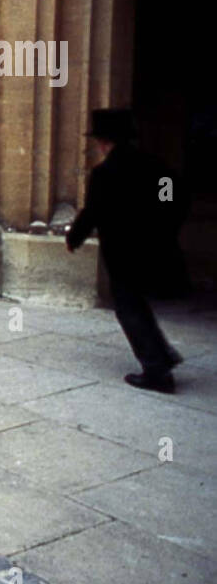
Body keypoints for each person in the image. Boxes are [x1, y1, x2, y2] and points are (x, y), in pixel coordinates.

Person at [66, 108, 185, 393]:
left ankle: (157, 370)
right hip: (152, 247)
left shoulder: (105, 174)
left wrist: (75, 237)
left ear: (105, 141)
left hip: (122, 252)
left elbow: (93, 211)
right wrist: (164, 225)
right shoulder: (154, 166)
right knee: (137, 305)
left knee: (129, 308)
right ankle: (163, 356)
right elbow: (170, 195)